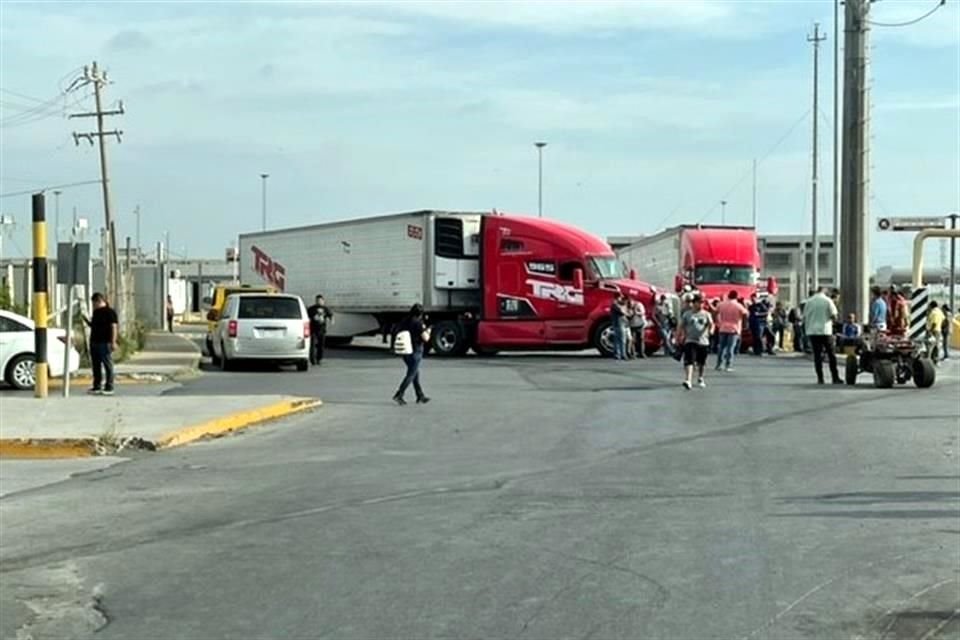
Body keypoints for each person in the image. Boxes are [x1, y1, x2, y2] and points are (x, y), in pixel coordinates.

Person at [802, 287, 842, 385]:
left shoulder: (809, 301)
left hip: (813, 331)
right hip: (825, 330)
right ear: (825, 292)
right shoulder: (828, 301)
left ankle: (820, 378)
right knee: (831, 355)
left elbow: (805, 316)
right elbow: (834, 316)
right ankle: (835, 377)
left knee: (817, 356)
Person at [393, 304, 431, 405]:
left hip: (405, 350)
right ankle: (399, 394)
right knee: (411, 374)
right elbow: (425, 338)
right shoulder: (418, 323)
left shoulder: (404, 321)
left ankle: (420, 395)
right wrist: (428, 331)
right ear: (420, 314)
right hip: (415, 350)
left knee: (415, 373)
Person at [676, 294, 714, 389]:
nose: (701, 305)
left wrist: (711, 331)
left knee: (701, 362)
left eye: (702, 303)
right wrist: (678, 337)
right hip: (690, 340)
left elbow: (712, 324)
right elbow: (681, 325)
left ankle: (700, 377)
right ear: (694, 303)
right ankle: (688, 380)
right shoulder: (687, 314)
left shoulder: (706, 314)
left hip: (703, 341)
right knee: (690, 361)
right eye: (699, 303)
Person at [88, 293, 119, 396]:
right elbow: (94, 326)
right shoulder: (96, 312)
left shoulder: (110, 312)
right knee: (95, 365)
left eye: (94, 303)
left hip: (105, 342)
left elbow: (114, 327)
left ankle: (109, 386)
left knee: (107, 364)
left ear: (99, 301)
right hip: (94, 341)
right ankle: (97, 385)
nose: (93, 305)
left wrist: (113, 342)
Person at [714, 290, 748, 372]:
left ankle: (719, 364)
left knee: (721, 347)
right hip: (734, 328)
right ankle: (728, 365)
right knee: (730, 348)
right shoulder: (738, 305)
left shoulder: (721, 304)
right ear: (736, 296)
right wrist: (744, 324)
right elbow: (745, 313)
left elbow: (715, 312)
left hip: (723, 327)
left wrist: (717, 322)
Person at [306, 294, 334, 365]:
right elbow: (306, 317)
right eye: (317, 300)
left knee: (321, 345)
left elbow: (330, 315)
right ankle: (312, 360)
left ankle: (319, 359)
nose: (319, 301)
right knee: (312, 345)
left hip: (322, 329)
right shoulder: (311, 309)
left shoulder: (325, 309)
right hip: (313, 329)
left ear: (323, 301)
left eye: (320, 300)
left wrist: (332, 320)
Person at [610, 294, 628, 361]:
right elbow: (622, 311)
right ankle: (623, 354)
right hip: (619, 324)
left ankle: (617, 354)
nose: (621, 299)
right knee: (622, 340)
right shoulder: (615, 304)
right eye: (621, 297)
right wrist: (624, 306)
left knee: (617, 340)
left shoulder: (616, 304)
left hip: (618, 324)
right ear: (618, 297)